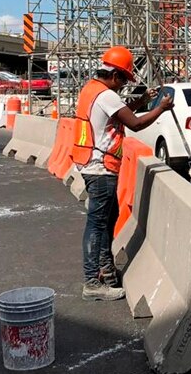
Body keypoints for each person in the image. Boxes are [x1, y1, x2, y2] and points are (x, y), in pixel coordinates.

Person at [71, 46, 173, 301]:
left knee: (107, 218)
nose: (123, 86)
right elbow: (135, 124)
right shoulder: (106, 95)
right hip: (101, 167)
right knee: (97, 223)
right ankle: (93, 281)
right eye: (124, 80)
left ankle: (106, 270)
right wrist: (161, 108)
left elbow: (118, 114)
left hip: (91, 163)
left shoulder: (91, 89)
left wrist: (141, 101)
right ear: (115, 75)